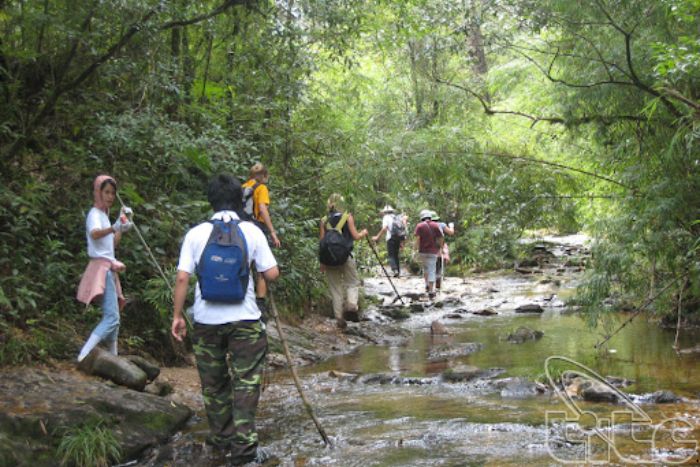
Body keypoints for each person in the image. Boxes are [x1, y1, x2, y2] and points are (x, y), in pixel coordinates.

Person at [171, 173, 279, 465]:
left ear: (211, 200)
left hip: (206, 321)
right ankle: (244, 450)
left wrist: (177, 316)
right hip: (245, 320)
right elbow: (271, 273)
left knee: (214, 384)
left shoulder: (195, 233)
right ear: (237, 199)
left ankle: (221, 441)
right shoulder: (252, 231)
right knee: (246, 383)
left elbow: (183, 278)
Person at [76, 175, 133, 362]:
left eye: (112, 193)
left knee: (115, 315)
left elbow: (112, 244)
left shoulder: (105, 216)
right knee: (112, 317)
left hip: (109, 268)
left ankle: (113, 356)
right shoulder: (94, 214)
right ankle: (83, 355)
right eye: (106, 192)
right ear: (98, 192)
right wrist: (113, 227)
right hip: (101, 269)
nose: (109, 197)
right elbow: (94, 234)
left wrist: (120, 227)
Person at [319, 194, 368, 329]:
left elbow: (322, 243)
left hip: (329, 259)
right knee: (352, 282)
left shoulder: (324, 220)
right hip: (346, 257)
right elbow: (356, 236)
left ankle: (339, 318)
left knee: (335, 289)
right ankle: (352, 305)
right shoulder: (347, 217)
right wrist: (364, 233)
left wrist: (322, 263)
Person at [241, 163, 280, 319]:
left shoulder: (243, 187)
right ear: (265, 176)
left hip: (240, 227)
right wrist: (272, 232)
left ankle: (243, 295)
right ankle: (260, 302)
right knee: (261, 268)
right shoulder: (261, 188)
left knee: (244, 262)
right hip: (257, 228)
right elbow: (262, 209)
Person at [413, 209, 444, 299]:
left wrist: (415, 250)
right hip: (433, 252)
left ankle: (427, 285)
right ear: (430, 217)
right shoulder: (435, 225)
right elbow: (441, 237)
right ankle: (431, 290)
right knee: (432, 270)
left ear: (422, 217)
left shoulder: (419, 226)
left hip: (422, 251)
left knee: (425, 268)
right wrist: (441, 248)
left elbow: (418, 239)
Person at [371, 205, 406, 277]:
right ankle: (398, 272)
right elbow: (402, 229)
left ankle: (395, 270)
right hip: (398, 238)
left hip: (390, 238)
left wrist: (377, 237)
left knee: (391, 255)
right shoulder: (396, 217)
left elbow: (384, 228)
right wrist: (402, 242)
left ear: (385, 212)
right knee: (396, 255)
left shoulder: (386, 217)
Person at [430, 211, 455, 291]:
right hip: (440, 247)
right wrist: (451, 226)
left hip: (429, 248)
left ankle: (430, 284)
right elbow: (451, 233)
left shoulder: (425, 226)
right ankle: (438, 281)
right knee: (439, 265)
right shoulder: (441, 225)